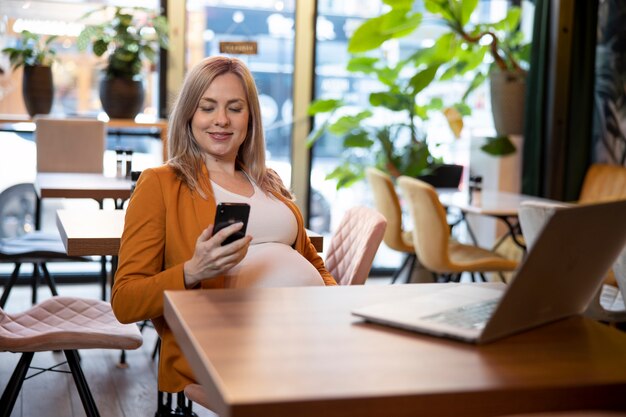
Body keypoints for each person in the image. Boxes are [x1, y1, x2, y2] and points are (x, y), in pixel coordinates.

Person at [111, 56, 337, 394]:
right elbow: (125, 302)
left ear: (250, 118)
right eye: (208, 107)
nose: (221, 120)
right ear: (189, 114)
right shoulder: (160, 184)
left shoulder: (267, 180)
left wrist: (338, 308)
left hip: (311, 338)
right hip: (230, 351)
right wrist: (193, 270)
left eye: (235, 108)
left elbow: (312, 262)